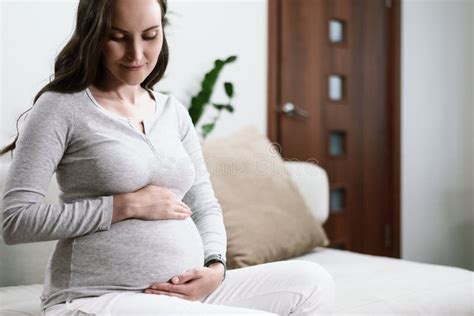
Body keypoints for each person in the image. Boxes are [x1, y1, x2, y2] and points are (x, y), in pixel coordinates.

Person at [0, 0, 336, 315]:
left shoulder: (173, 112)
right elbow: (15, 221)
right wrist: (123, 206)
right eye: (118, 38)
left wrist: (215, 267)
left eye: (150, 36)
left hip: (183, 294)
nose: (136, 53)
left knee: (312, 282)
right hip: (96, 298)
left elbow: (204, 204)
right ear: (93, 35)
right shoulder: (62, 107)